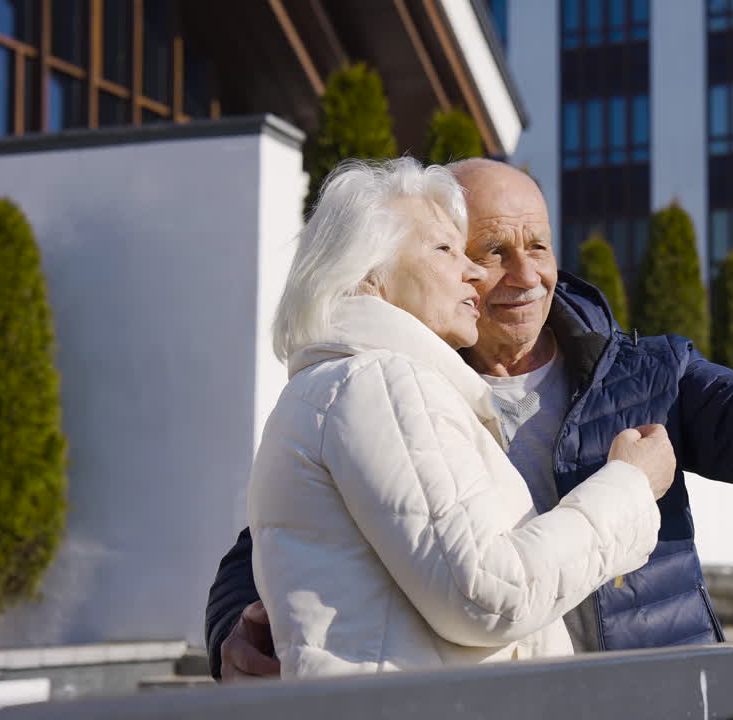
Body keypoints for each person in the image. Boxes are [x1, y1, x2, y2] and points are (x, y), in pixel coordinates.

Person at [206, 158, 733, 680]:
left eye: (537, 246)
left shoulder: (646, 372)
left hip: (651, 696)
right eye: (486, 251)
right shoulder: (399, 389)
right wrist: (235, 627)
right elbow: (271, 540)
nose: (522, 274)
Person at [246, 157, 673, 677]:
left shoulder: (332, 385)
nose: (472, 269)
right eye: (446, 249)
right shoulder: (380, 381)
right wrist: (629, 485)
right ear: (370, 276)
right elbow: (489, 596)